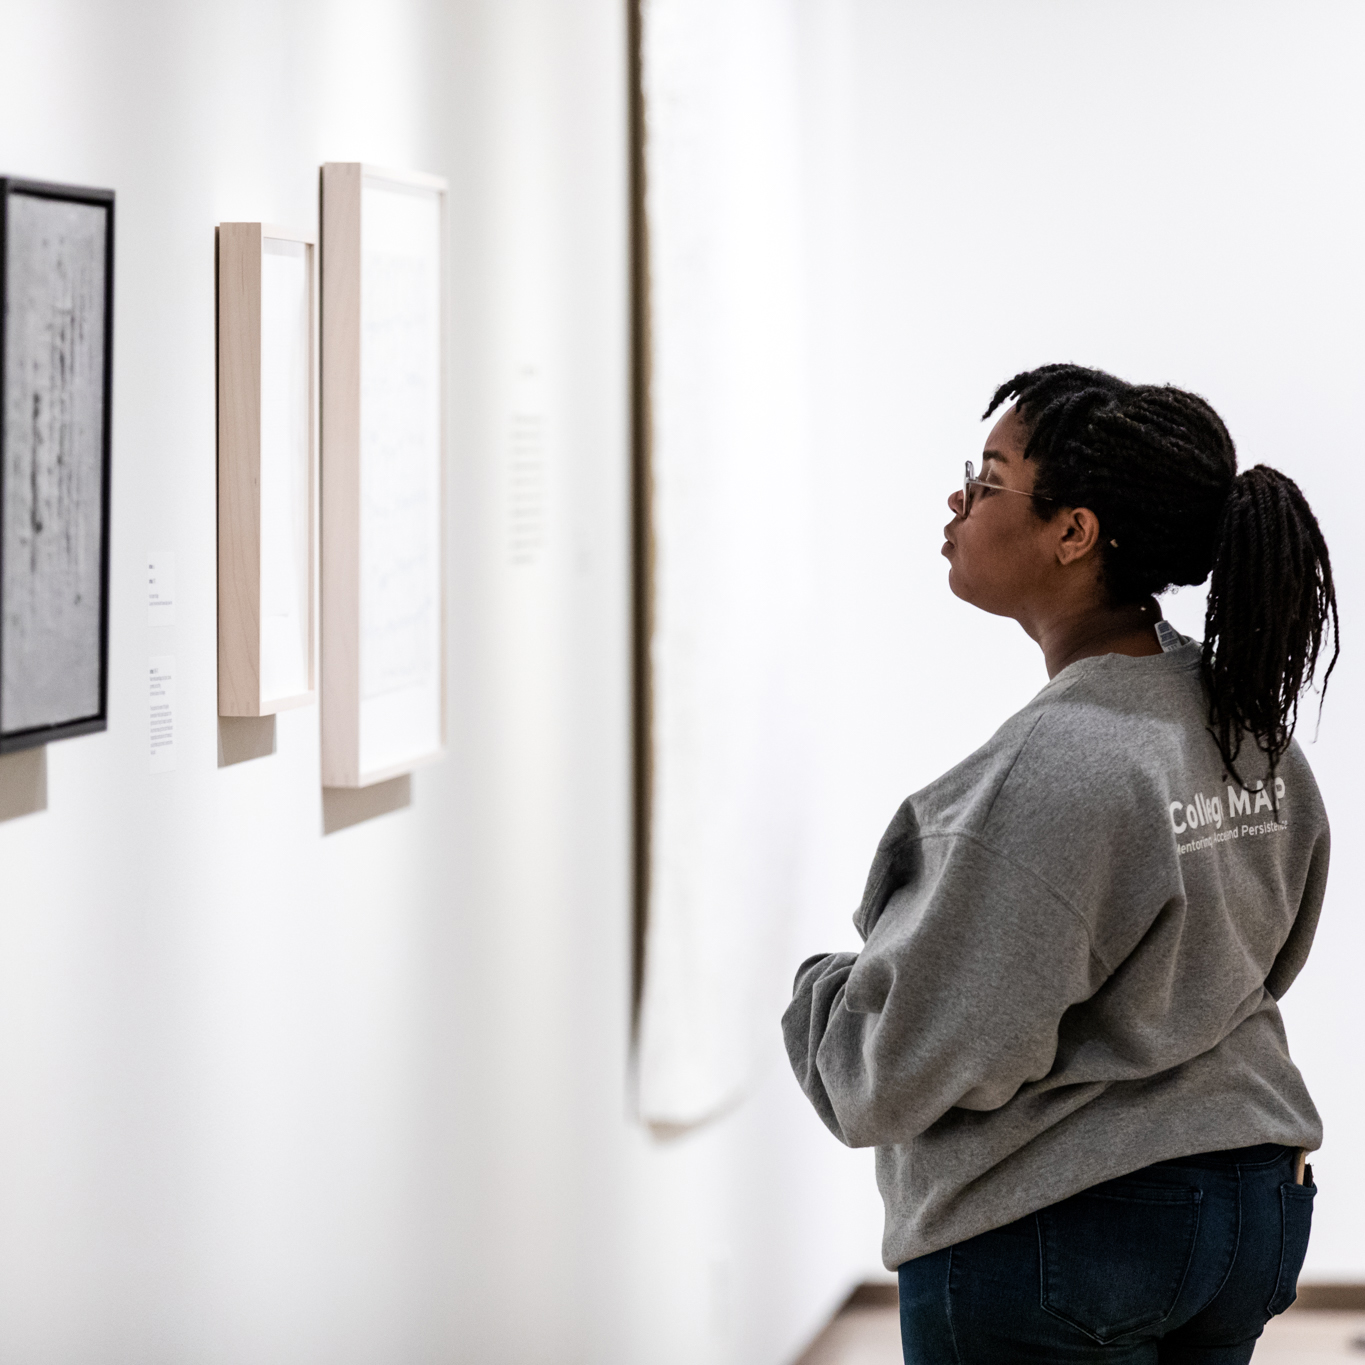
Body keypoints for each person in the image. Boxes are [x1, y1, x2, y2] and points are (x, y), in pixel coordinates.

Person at [783, 364, 1339, 1364]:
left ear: (1073, 533)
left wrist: (820, 994)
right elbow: (1257, 959)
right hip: (1248, 1206)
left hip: (1064, 1232)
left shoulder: (1053, 770)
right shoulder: (1243, 725)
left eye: (989, 478)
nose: (959, 500)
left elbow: (898, 1069)